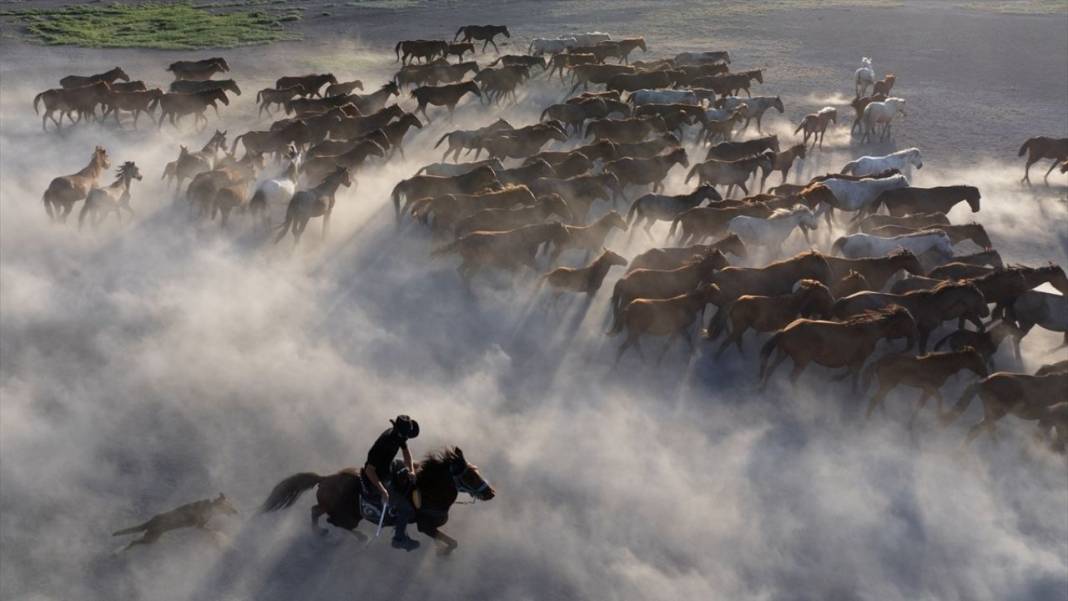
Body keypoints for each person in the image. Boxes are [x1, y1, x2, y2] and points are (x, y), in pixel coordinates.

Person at [364, 415, 420, 550]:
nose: (406, 437)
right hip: (379, 475)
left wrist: (411, 470)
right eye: (405, 435)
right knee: (405, 509)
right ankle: (399, 539)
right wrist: (383, 490)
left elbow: (406, 452)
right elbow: (369, 470)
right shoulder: (384, 442)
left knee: (414, 469)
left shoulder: (400, 436)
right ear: (398, 430)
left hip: (390, 465)